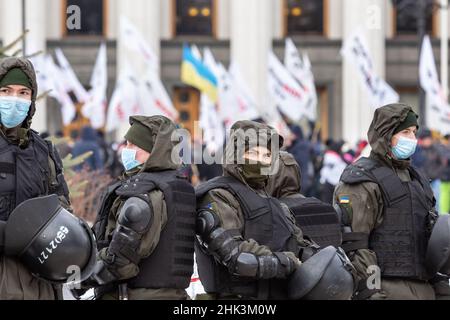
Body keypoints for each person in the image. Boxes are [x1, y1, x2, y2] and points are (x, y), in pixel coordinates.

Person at [195, 120, 354, 300]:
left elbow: (299, 244)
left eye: (266, 156)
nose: (260, 161)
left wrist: (327, 260)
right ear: (237, 154)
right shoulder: (219, 196)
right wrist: (284, 261)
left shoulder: (274, 203)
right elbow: (237, 257)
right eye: (253, 153)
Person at [334, 103, 442, 300]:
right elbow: (356, 245)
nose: (412, 139)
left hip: (424, 289)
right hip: (387, 289)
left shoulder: (417, 179)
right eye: (405, 132)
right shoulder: (362, 180)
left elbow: (432, 240)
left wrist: (440, 285)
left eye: (414, 132)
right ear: (386, 135)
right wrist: (371, 292)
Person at [87, 115, 196, 300]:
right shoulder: (179, 186)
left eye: (132, 145)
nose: (125, 150)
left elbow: (120, 261)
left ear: (154, 151)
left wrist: (81, 278)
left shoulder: (144, 194)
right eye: (126, 143)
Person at [0, 56, 73, 299]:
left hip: (39, 279)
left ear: (31, 99)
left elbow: (62, 209)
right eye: (5, 90)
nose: (14, 99)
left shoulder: (45, 151)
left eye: (23, 92)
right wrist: (11, 234)